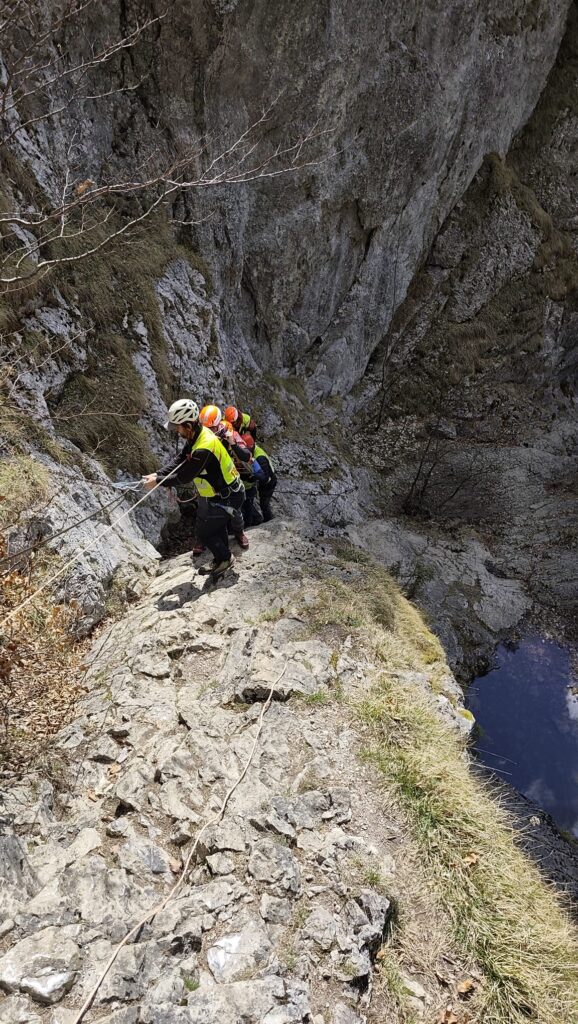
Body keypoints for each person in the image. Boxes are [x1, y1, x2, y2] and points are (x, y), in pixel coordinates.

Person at [142, 399, 245, 578]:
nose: (176, 431)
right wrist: (157, 474)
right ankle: (221, 559)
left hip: (230, 495)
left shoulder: (204, 447)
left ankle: (226, 558)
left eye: (178, 427)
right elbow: (181, 459)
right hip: (220, 493)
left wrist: (158, 481)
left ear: (188, 425)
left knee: (204, 532)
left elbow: (184, 476)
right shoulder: (196, 434)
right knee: (217, 528)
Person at [198, 405, 251, 549]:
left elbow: (246, 456)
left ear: (217, 424)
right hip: (207, 479)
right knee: (203, 509)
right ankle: (202, 538)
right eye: (205, 429)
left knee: (234, 509)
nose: (208, 432)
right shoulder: (200, 435)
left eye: (211, 429)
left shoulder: (229, 431)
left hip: (227, 478)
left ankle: (239, 532)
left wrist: (232, 443)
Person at [251, 438, 277, 522]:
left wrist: (252, 479)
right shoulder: (257, 450)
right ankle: (267, 519)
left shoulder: (260, 457)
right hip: (269, 478)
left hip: (268, 482)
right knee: (264, 502)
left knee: (264, 503)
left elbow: (264, 478)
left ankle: (268, 520)